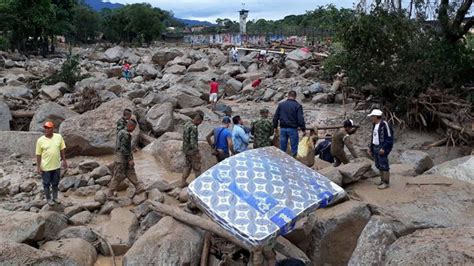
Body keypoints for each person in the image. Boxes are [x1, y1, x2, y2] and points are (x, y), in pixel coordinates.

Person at [108, 119, 144, 198]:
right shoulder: (125, 134)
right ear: (130, 126)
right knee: (118, 175)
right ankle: (110, 193)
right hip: (121, 159)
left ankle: (138, 186)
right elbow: (124, 148)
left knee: (130, 171)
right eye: (133, 128)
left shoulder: (121, 131)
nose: (133, 130)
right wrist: (130, 159)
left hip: (123, 157)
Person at [36, 121, 67, 205]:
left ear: (53, 128)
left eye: (49, 128)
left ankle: (55, 197)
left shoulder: (59, 137)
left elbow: (62, 149)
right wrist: (38, 167)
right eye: (45, 128)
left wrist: (64, 161)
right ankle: (48, 199)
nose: (47, 129)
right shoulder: (40, 140)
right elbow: (38, 154)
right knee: (46, 183)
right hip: (46, 167)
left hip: (56, 165)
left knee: (55, 183)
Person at [273, 91, 305, 156]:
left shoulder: (281, 105)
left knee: (282, 149)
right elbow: (300, 119)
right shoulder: (298, 106)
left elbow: (276, 117)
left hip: (283, 129)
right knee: (294, 148)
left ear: (288, 96)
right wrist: (303, 129)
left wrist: (275, 127)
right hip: (293, 129)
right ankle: (293, 162)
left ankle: (283, 163)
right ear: (295, 97)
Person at [368, 109, 394, 190]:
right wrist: (371, 148)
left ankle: (386, 182)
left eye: (372, 117)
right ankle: (382, 180)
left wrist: (384, 148)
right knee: (378, 164)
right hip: (375, 146)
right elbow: (373, 137)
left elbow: (390, 138)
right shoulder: (374, 124)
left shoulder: (384, 124)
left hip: (382, 147)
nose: (371, 118)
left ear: (376, 117)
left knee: (384, 164)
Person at [181, 114, 204, 187]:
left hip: (186, 150)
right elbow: (193, 141)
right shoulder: (193, 127)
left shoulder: (187, 124)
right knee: (197, 167)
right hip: (192, 151)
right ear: (198, 120)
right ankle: (198, 185)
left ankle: (183, 182)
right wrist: (197, 152)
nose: (200, 124)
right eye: (200, 122)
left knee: (187, 166)